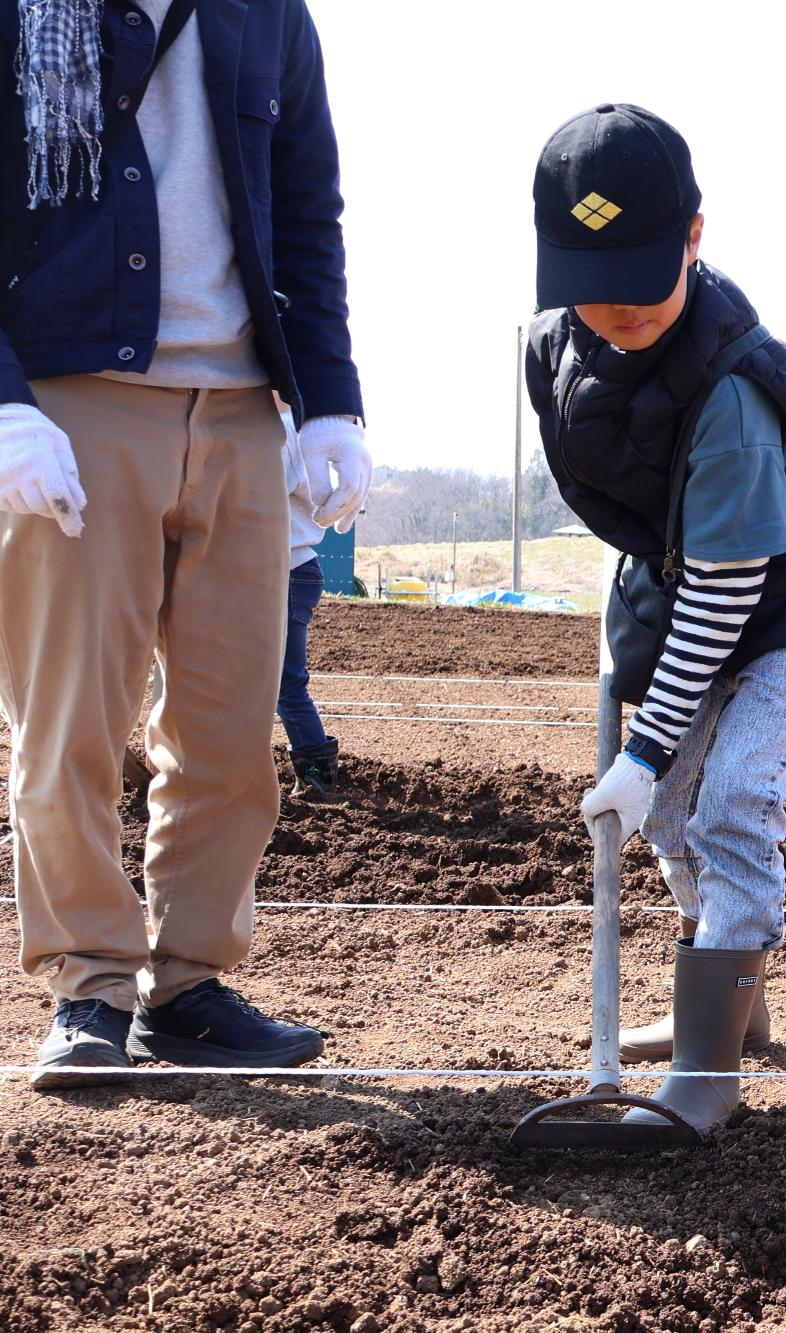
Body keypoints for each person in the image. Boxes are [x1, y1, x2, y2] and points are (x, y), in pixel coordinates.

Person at [0, 0, 369, 1088]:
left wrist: (332, 396)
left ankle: (189, 982)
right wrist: (6, 403)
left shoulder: (267, 13)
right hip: (75, 400)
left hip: (242, 403)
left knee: (226, 723)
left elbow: (307, 209)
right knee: (69, 716)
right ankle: (88, 986)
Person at [523, 104, 786, 1139]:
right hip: (695, 568)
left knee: (730, 795)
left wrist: (644, 746)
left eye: (643, 276)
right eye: (590, 285)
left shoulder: (734, 392)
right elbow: (643, 509)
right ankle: (732, 995)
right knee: (669, 805)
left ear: (694, 237)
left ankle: (706, 1073)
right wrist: (651, 744)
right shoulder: (556, 353)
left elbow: (731, 588)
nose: (616, 308)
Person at [276, 402, 349, 795]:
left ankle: (316, 779)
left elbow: (266, 488)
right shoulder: (299, 431)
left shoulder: (282, 432)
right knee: (280, 681)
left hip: (286, 568)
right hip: (292, 567)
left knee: (285, 683)